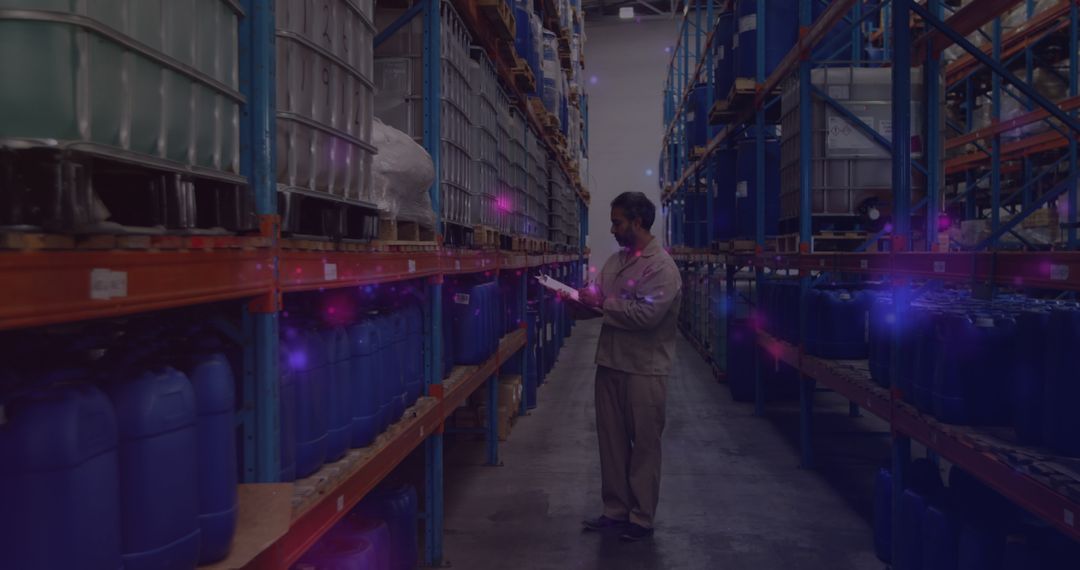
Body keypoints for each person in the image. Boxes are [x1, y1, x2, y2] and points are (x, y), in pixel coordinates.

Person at [571, 191, 682, 542]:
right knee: (612, 443)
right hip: (611, 363)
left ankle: (641, 517)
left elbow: (646, 316)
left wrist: (604, 303)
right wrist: (576, 299)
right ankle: (615, 511)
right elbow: (600, 298)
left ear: (637, 222)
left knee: (644, 447)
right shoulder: (616, 261)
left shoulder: (661, 267)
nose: (613, 229)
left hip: (644, 370)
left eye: (618, 222)